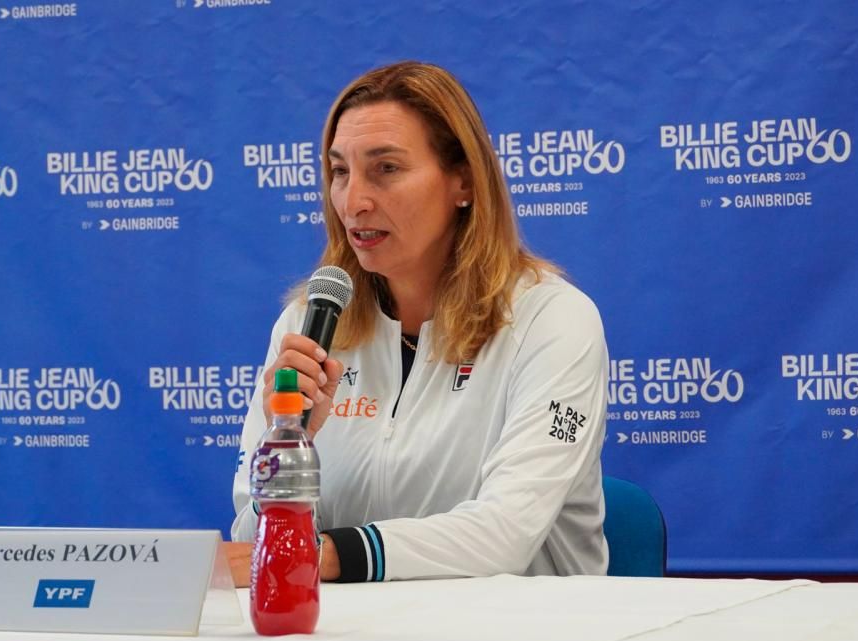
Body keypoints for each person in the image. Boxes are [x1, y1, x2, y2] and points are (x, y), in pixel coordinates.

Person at [227, 61, 608, 584]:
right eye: (340, 172)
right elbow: (255, 544)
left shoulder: (551, 320)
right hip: (349, 629)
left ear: (464, 182)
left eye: (386, 169)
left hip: (523, 630)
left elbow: (506, 533)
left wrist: (326, 555)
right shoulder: (309, 323)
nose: (354, 202)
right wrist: (289, 446)